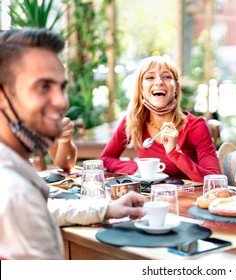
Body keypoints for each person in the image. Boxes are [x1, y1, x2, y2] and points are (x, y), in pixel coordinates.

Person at [0, 28, 148, 259]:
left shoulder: (15, 180)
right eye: (43, 86)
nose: (62, 101)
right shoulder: (14, 192)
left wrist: (107, 209)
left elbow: (42, 209)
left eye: (62, 87)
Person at [101, 56, 221, 183]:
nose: (159, 82)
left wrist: (175, 154)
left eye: (167, 77)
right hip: (147, 199)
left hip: (185, 200)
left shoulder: (195, 126)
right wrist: (136, 168)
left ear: (176, 89)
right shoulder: (132, 121)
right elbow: (106, 158)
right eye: (150, 77)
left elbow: (215, 180)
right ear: (140, 88)